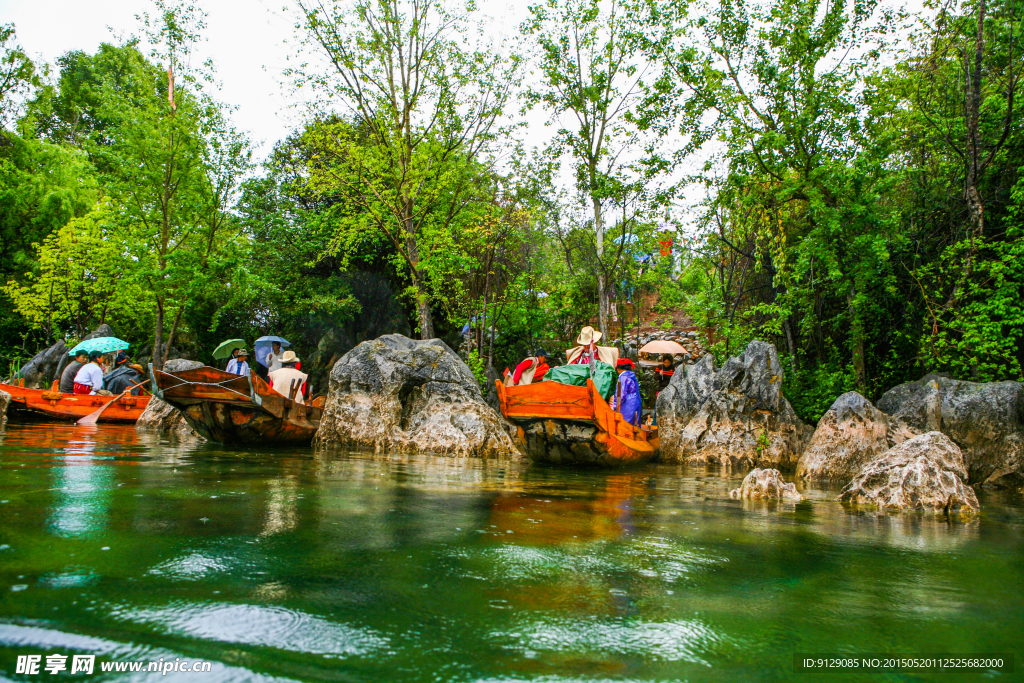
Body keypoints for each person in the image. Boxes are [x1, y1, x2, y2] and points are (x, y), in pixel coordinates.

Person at [610, 358, 642, 426]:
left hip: (628, 404)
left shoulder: (623, 377)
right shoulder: (632, 376)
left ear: (618, 369)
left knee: (625, 425)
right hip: (636, 401)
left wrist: (614, 406)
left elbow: (621, 395)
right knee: (634, 424)